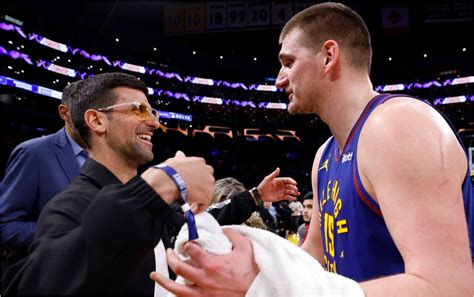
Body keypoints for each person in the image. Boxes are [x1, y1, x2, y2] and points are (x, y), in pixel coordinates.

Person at [150, 3, 474, 296]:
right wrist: (242, 270)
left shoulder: (398, 125)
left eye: (288, 62)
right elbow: (314, 258)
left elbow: (447, 286)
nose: (279, 79)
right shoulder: (324, 156)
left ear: (329, 56)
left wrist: (263, 287)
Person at [3, 72, 299, 296]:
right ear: (96, 121)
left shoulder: (145, 205)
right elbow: (37, 285)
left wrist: (255, 196)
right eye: (138, 109)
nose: (155, 123)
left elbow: (190, 224)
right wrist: (158, 183)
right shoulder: (70, 204)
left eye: (153, 111)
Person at [0, 80, 87, 292]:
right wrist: (71, 236)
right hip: (42, 282)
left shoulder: (111, 156)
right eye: (85, 110)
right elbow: (5, 225)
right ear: (64, 112)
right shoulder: (34, 152)